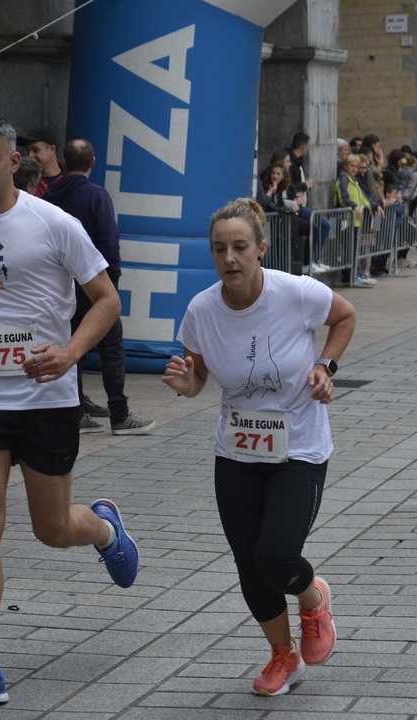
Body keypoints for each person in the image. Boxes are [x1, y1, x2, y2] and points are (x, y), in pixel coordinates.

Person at [0, 111, 139, 705]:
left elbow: (106, 301)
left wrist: (69, 353)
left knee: (51, 529)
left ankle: (104, 529)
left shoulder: (55, 224)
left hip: (46, 398)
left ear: (15, 162)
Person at [162, 197, 354, 697]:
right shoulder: (201, 310)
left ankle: (312, 598)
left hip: (299, 448)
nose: (229, 258)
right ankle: (283, 655)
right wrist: (184, 384)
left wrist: (325, 366)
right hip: (237, 453)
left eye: (240, 247)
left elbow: (345, 316)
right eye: (219, 249)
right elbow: (197, 380)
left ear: (261, 248)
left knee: (276, 558)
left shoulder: (296, 293)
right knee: (249, 565)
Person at [43, 138, 155, 436]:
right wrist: (111, 287)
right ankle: (119, 414)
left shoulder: (49, 196)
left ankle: (77, 412)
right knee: (111, 348)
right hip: (94, 286)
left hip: (61, 287)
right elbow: (109, 243)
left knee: (73, 347)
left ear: (64, 163)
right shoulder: (97, 196)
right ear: (93, 163)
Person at [332, 154, 382, 287]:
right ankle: (350, 276)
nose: (354, 169)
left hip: (355, 221)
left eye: (356, 166)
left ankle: (356, 274)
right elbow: (344, 198)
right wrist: (354, 206)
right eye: (352, 166)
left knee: (354, 250)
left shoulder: (354, 180)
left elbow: (363, 198)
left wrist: (375, 206)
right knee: (349, 250)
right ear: (345, 166)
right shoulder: (344, 179)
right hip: (346, 220)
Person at [287, 132, 331, 269]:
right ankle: (309, 263)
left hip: (298, 205)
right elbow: (289, 187)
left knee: (322, 225)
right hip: (293, 206)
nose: (287, 163)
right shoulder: (291, 164)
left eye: (288, 161)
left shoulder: (296, 162)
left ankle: (312, 261)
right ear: (303, 147)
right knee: (318, 225)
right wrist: (304, 185)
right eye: (307, 146)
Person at [18, 127, 65, 198]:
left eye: (35, 150)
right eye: (28, 151)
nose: (30, 155)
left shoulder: (69, 181)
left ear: (52, 150)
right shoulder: (24, 181)